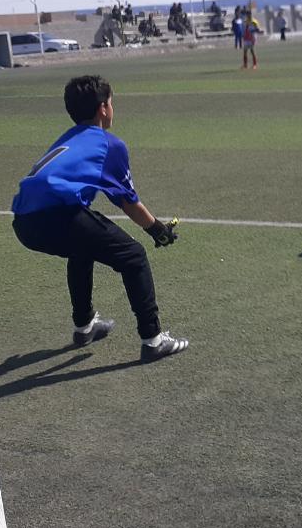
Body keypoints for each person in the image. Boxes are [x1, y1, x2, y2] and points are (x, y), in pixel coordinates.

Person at [10, 75, 187, 364]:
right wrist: (157, 229)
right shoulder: (107, 144)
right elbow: (127, 201)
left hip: (23, 222)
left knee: (82, 248)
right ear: (103, 108)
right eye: (111, 103)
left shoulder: (68, 138)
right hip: (57, 215)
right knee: (134, 256)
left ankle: (85, 326)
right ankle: (153, 340)